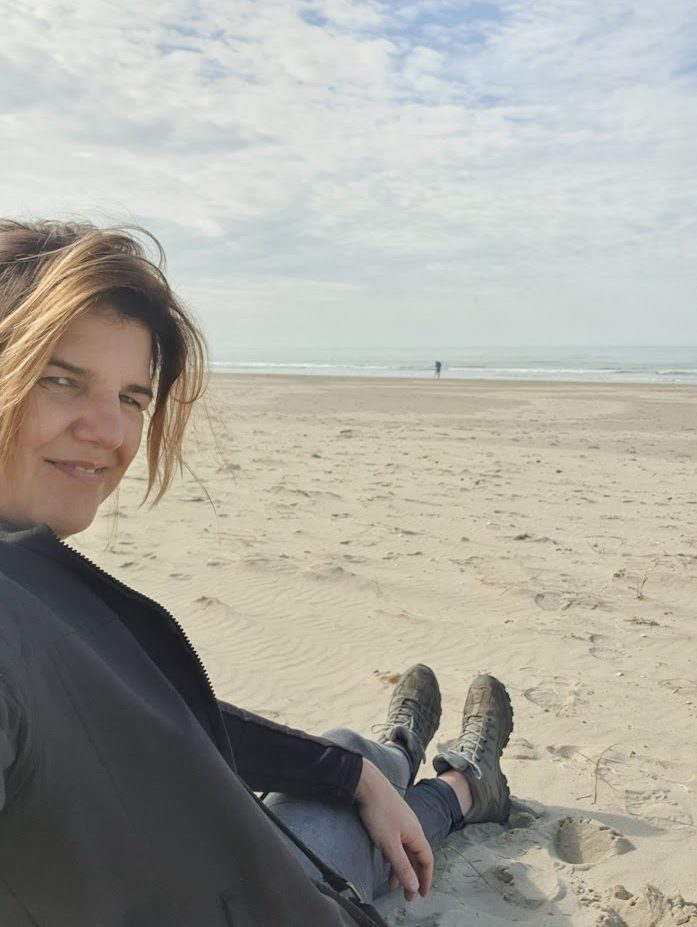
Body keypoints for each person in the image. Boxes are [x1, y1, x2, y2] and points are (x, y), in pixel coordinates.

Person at [0, 220, 514, 927]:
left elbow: (156, 711)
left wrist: (354, 776)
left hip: (239, 858)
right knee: (370, 832)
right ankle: (466, 785)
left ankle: (393, 753)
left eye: (131, 398)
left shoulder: (32, 568)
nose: (111, 432)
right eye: (61, 380)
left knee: (344, 758)